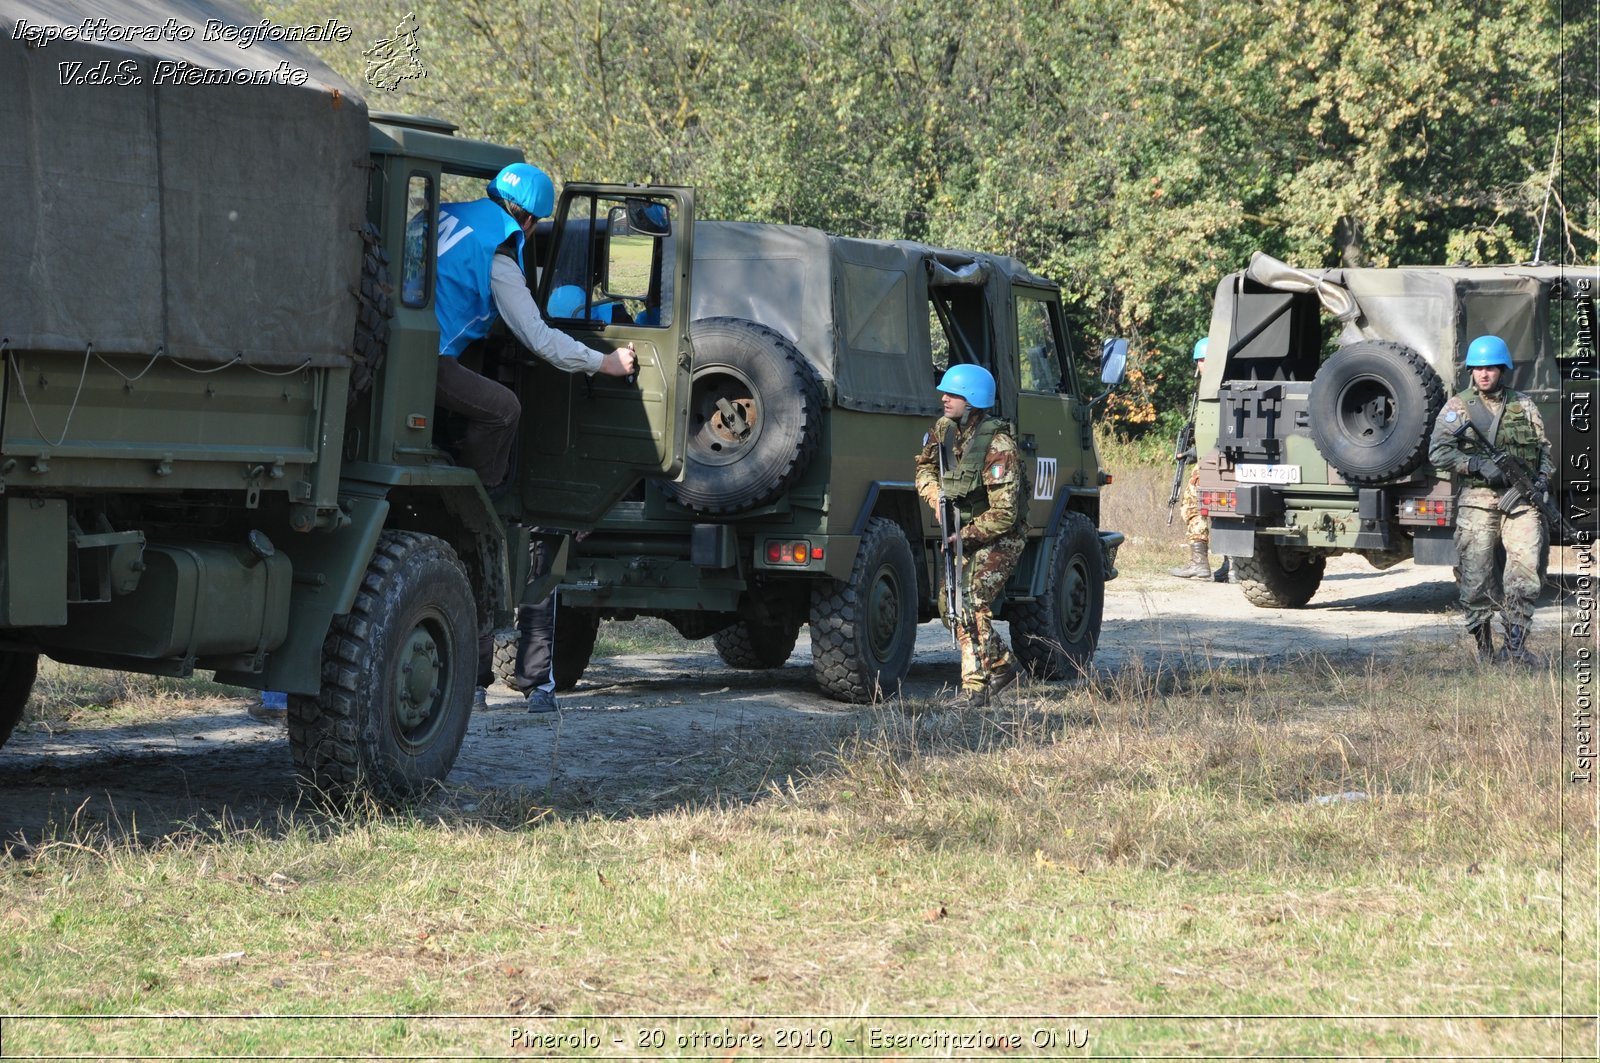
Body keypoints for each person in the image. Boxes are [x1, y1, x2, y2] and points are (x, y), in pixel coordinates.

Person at [432, 163, 637, 492]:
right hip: (427, 359)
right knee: (504, 409)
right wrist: (604, 362)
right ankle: (474, 500)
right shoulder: (498, 256)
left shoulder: (445, 212)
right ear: (528, 221)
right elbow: (538, 338)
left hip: (393, 341)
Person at [1427, 334, 1554, 665]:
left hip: (1522, 502)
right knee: (1476, 580)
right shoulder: (1458, 407)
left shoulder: (1524, 405)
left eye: (1491, 368)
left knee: (1526, 573)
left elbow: (1545, 452)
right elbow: (1438, 451)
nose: (1484, 374)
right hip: (1477, 500)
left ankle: (1514, 649)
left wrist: (1540, 481)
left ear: (1502, 370)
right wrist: (1473, 464)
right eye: (1479, 368)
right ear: (1471, 371)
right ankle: (1484, 651)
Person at [913, 364, 1026, 708]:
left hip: (998, 534)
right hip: (960, 531)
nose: (943, 398)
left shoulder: (999, 444)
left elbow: (1005, 514)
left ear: (973, 400)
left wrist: (963, 535)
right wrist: (937, 497)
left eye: (952, 394)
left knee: (970, 601)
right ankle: (1005, 665)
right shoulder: (944, 430)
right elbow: (924, 468)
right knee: (950, 605)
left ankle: (975, 689)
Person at [1169, 337, 1230, 582]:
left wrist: (1192, 454)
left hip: (1213, 461)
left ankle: (1199, 564)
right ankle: (1234, 566)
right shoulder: (1225, 385)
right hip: (1226, 460)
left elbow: (1217, 433)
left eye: (1204, 359)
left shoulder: (1214, 389)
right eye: (1200, 360)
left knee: (1192, 507)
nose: (1202, 364)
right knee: (1227, 511)